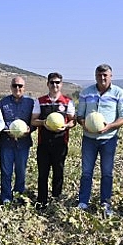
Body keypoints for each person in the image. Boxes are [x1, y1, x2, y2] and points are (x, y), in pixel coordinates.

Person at [76, 64, 123, 215]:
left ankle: (105, 203)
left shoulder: (120, 93)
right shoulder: (86, 93)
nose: (102, 78)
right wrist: (84, 124)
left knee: (107, 173)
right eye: (99, 75)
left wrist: (109, 126)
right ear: (95, 76)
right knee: (86, 172)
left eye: (105, 75)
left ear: (111, 76)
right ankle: (83, 202)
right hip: (89, 139)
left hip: (108, 138)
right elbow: (80, 115)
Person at [30, 73, 76, 209]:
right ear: (48, 84)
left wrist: (66, 126)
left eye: (57, 82)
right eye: (52, 82)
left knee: (58, 172)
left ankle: (56, 200)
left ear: (61, 84)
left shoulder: (68, 102)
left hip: (60, 143)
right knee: (43, 173)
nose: (54, 85)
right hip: (44, 143)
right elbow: (33, 121)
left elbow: (73, 121)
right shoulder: (40, 101)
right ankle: (41, 201)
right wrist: (44, 122)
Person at [0, 76, 35, 204]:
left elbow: (34, 122)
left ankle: (18, 195)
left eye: (20, 86)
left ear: (24, 88)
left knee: (21, 172)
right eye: (15, 86)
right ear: (11, 87)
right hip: (6, 143)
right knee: (6, 172)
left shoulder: (31, 103)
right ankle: (6, 197)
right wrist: (8, 130)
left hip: (23, 144)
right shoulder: (3, 103)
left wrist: (30, 129)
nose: (17, 88)